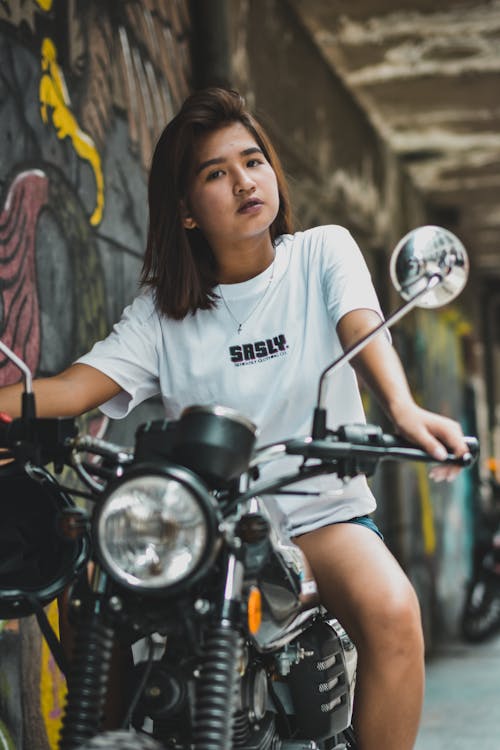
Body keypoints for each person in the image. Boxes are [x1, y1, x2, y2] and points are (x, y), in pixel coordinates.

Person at [0, 87, 468, 749]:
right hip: (205, 527)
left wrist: (403, 407)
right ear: (187, 211)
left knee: (394, 612)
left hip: (317, 514)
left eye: (253, 161)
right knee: (89, 607)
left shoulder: (320, 254)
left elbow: (363, 333)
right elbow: (78, 386)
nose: (244, 181)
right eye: (216, 173)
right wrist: (7, 402)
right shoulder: (163, 312)